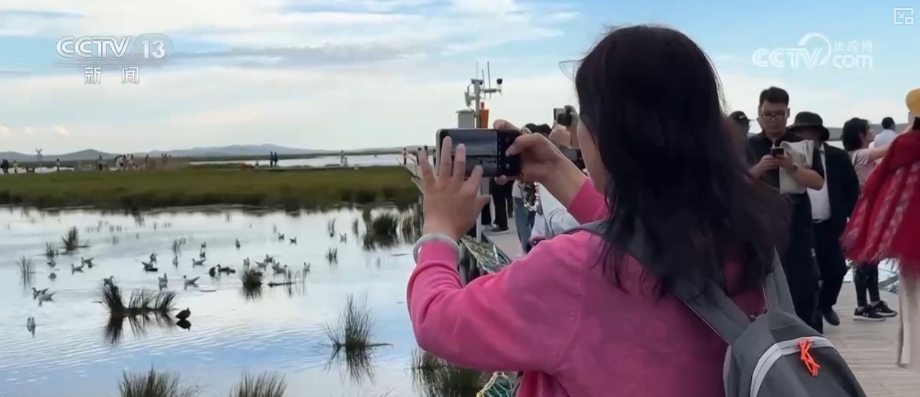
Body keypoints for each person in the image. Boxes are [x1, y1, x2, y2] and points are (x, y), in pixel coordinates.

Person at [407, 25, 787, 396]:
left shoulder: (572, 271)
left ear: (602, 135)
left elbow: (439, 320)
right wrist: (557, 171)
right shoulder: (749, 238)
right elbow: (643, 243)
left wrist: (439, 231)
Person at [843, 88, 920, 368]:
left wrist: (867, 211)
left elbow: (878, 178)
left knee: (909, 290)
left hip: (901, 222)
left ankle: (910, 351)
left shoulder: (903, 144)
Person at [747, 86, 826, 332]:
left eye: (779, 114)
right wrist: (758, 170)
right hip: (758, 225)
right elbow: (732, 183)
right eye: (768, 114)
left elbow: (818, 182)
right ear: (759, 114)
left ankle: (810, 341)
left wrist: (792, 167)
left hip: (797, 225)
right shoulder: (746, 145)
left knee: (803, 285)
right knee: (760, 285)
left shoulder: (802, 145)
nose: (773, 119)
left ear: (788, 113)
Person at [788, 112, 861, 326]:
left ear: (819, 133)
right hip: (800, 226)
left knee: (837, 270)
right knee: (807, 277)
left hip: (830, 225)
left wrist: (853, 221)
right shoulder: (789, 156)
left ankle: (826, 304)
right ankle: (814, 317)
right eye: (800, 131)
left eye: (809, 130)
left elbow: (851, 189)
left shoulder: (837, 157)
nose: (804, 135)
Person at [840, 117, 894, 321]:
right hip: (859, 212)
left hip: (868, 211)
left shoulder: (860, 156)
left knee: (872, 257)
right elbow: (891, 150)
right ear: (861, 134)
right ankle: (862, 305)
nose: (873, 133)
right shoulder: (860, 155)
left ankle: (874, 301)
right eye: (869, 130)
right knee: (862, 258)